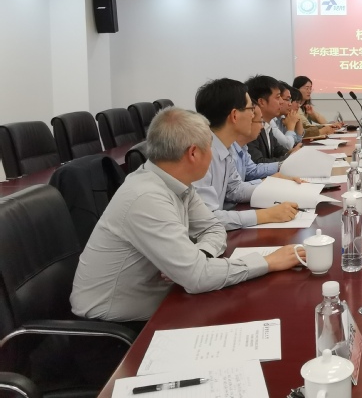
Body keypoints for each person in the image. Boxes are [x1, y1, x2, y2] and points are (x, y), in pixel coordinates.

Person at [70, 107, 304, 322]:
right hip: (113, 326)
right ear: (193, 153)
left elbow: (213, 227)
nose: (213, 155)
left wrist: (201, 253)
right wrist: (267, 262)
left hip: (164, 298)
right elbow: (197, 277)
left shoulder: (176, 182)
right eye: (210, 147)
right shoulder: (146, 197)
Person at [194, 78, 299, 230]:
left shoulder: (226, 147)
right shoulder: (200, 154)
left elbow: (235, 190)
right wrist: (266, 215)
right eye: (250, 109)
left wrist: (274, 184)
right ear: (234, 115)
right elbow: (206, 219)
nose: (254, 115)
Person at [245, 76, 301, 163]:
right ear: (262, 102)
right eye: (278, 97)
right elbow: (258, 162)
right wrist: (290, 157)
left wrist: (292, 153)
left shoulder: (268, 124)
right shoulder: (251, 127)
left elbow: (278, 150)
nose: (281, 102)